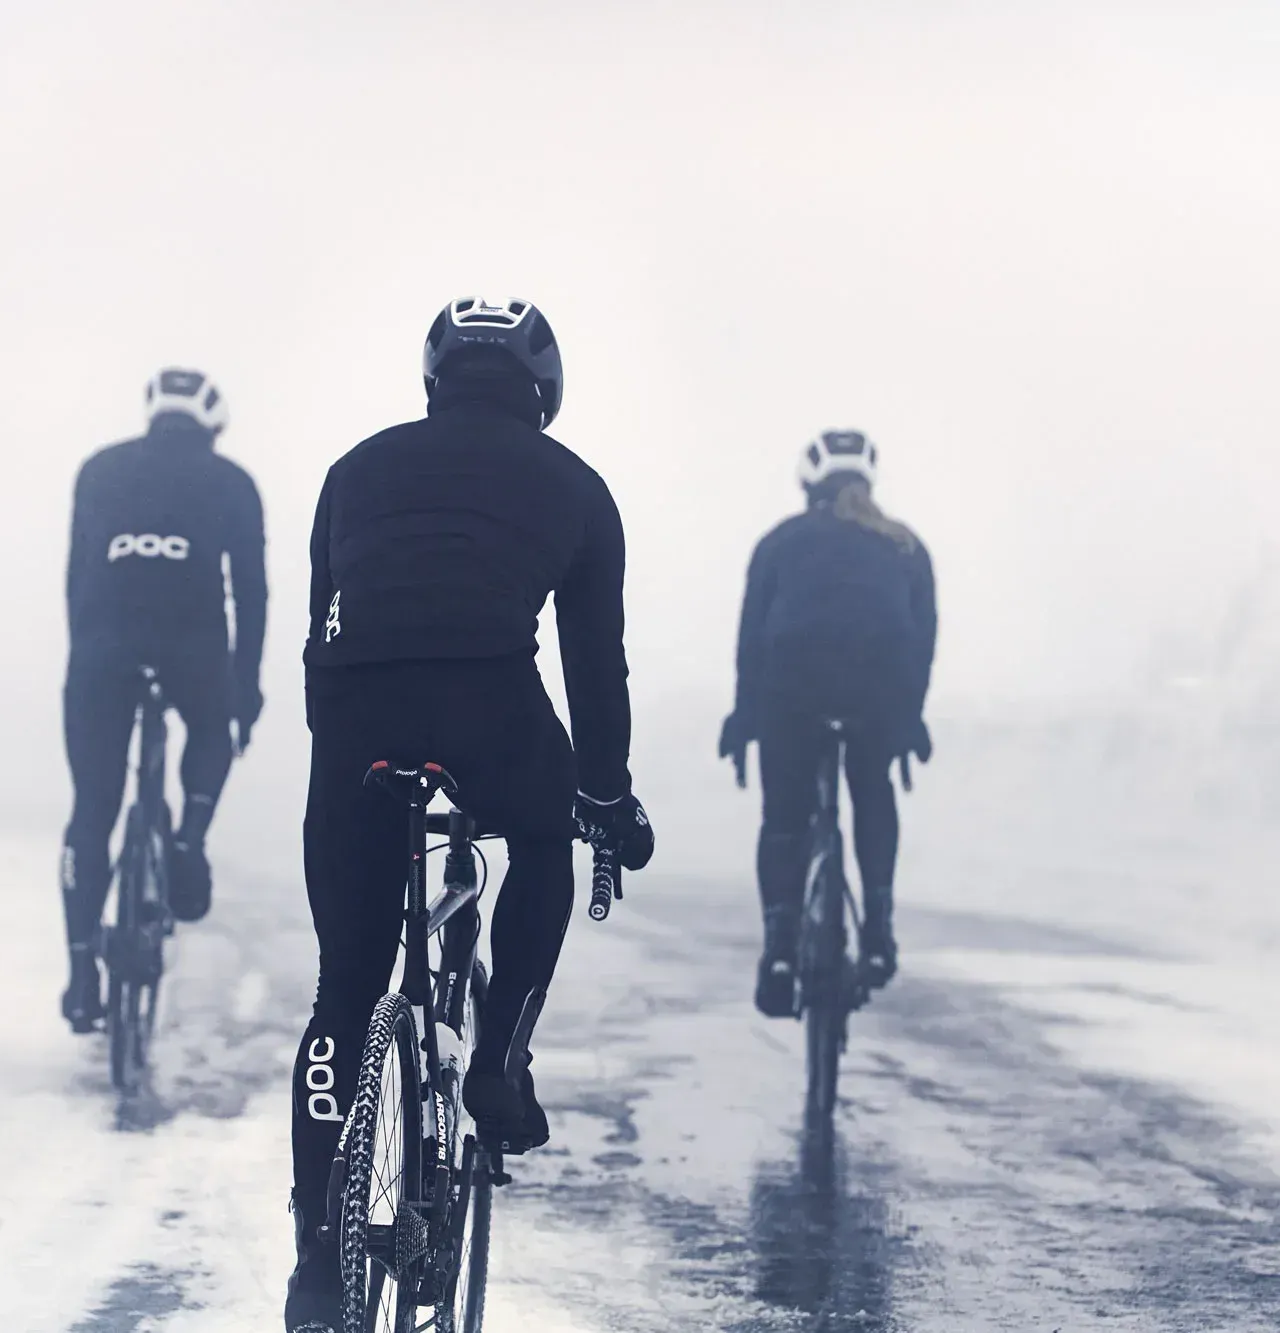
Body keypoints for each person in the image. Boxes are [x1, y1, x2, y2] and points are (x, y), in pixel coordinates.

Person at [284, 298, 654, 1333]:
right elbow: (594, 665)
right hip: (488, 705)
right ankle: (498, 1062)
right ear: (542, 388)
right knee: (540, 835)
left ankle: (316, 1265)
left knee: (343, 996)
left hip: (355, 716)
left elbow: (321, 624)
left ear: (434, 379)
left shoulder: (353, 468)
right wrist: (605, 797)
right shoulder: (577, 486)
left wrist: (346, 758)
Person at [58, 368, 266, 1032]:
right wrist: (245, 688)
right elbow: (251, 592)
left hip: (103, 651)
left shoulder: (99, 468)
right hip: (193, 651)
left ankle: (82, 972)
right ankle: (188, 838)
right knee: (209, 729)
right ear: (212, 421)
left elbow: (76, 576)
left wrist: (87, 657)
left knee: (93, 809)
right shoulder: (232, 482)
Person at [718, 430, 936, 1019]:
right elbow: (921, 641)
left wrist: (745, 716)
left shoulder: (779, 543)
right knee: (872, 793)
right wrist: (909, 717)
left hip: (791, 696)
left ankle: (780, 951)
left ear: (809, 481)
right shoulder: (905, 545)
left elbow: (752, 640)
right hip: (877, 697)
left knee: (784, 820)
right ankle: (879, 932)